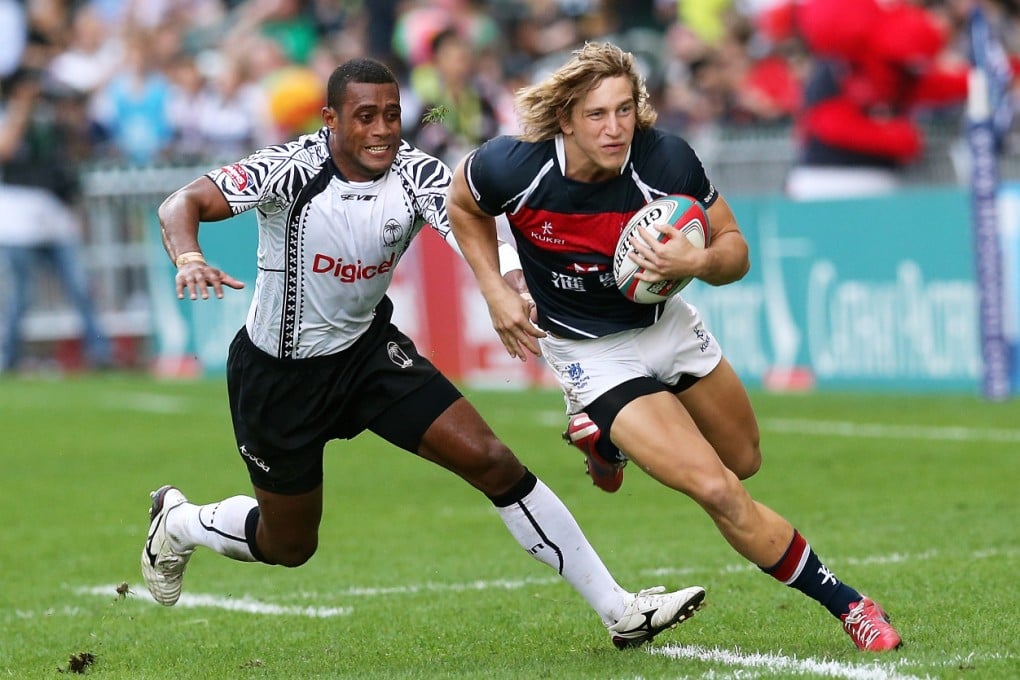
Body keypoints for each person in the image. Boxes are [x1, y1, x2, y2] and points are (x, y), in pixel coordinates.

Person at [141, 56, 706, 650]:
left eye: (392, 115)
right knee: (290, 545)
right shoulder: (289, 168)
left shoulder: (416, 174)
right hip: (278, 377)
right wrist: (189, 256)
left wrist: (511, 285)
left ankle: (620, 609)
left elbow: (474, 232)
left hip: (367, 356)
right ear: (330, 119)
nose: (383, 129)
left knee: (492, 460)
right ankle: (178, 522)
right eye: (365, 117)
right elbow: (179, 204)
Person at [445, 41, 903, 653]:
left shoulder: (666, 161)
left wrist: (701, 260)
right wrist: (494, 289)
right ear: (566, 120)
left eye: (624, 110)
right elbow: (463, 205)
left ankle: (603, 439)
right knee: (717, 490)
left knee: (743, 461)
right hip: (594, 353)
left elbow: (735, 249)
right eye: (596, 115)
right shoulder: (514, 166)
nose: (614, 129)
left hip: (667, 325)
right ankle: (850, 605)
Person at [0, 67, 112, 374]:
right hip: (17, 212)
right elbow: (5, 149)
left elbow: (77, 152)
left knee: (79, 284)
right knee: (20, 293)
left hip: (54, 208)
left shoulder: (52, 119)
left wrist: (70, 115)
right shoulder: (10, 114)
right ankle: (7, 358)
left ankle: (100, 351)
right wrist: (21, 107)